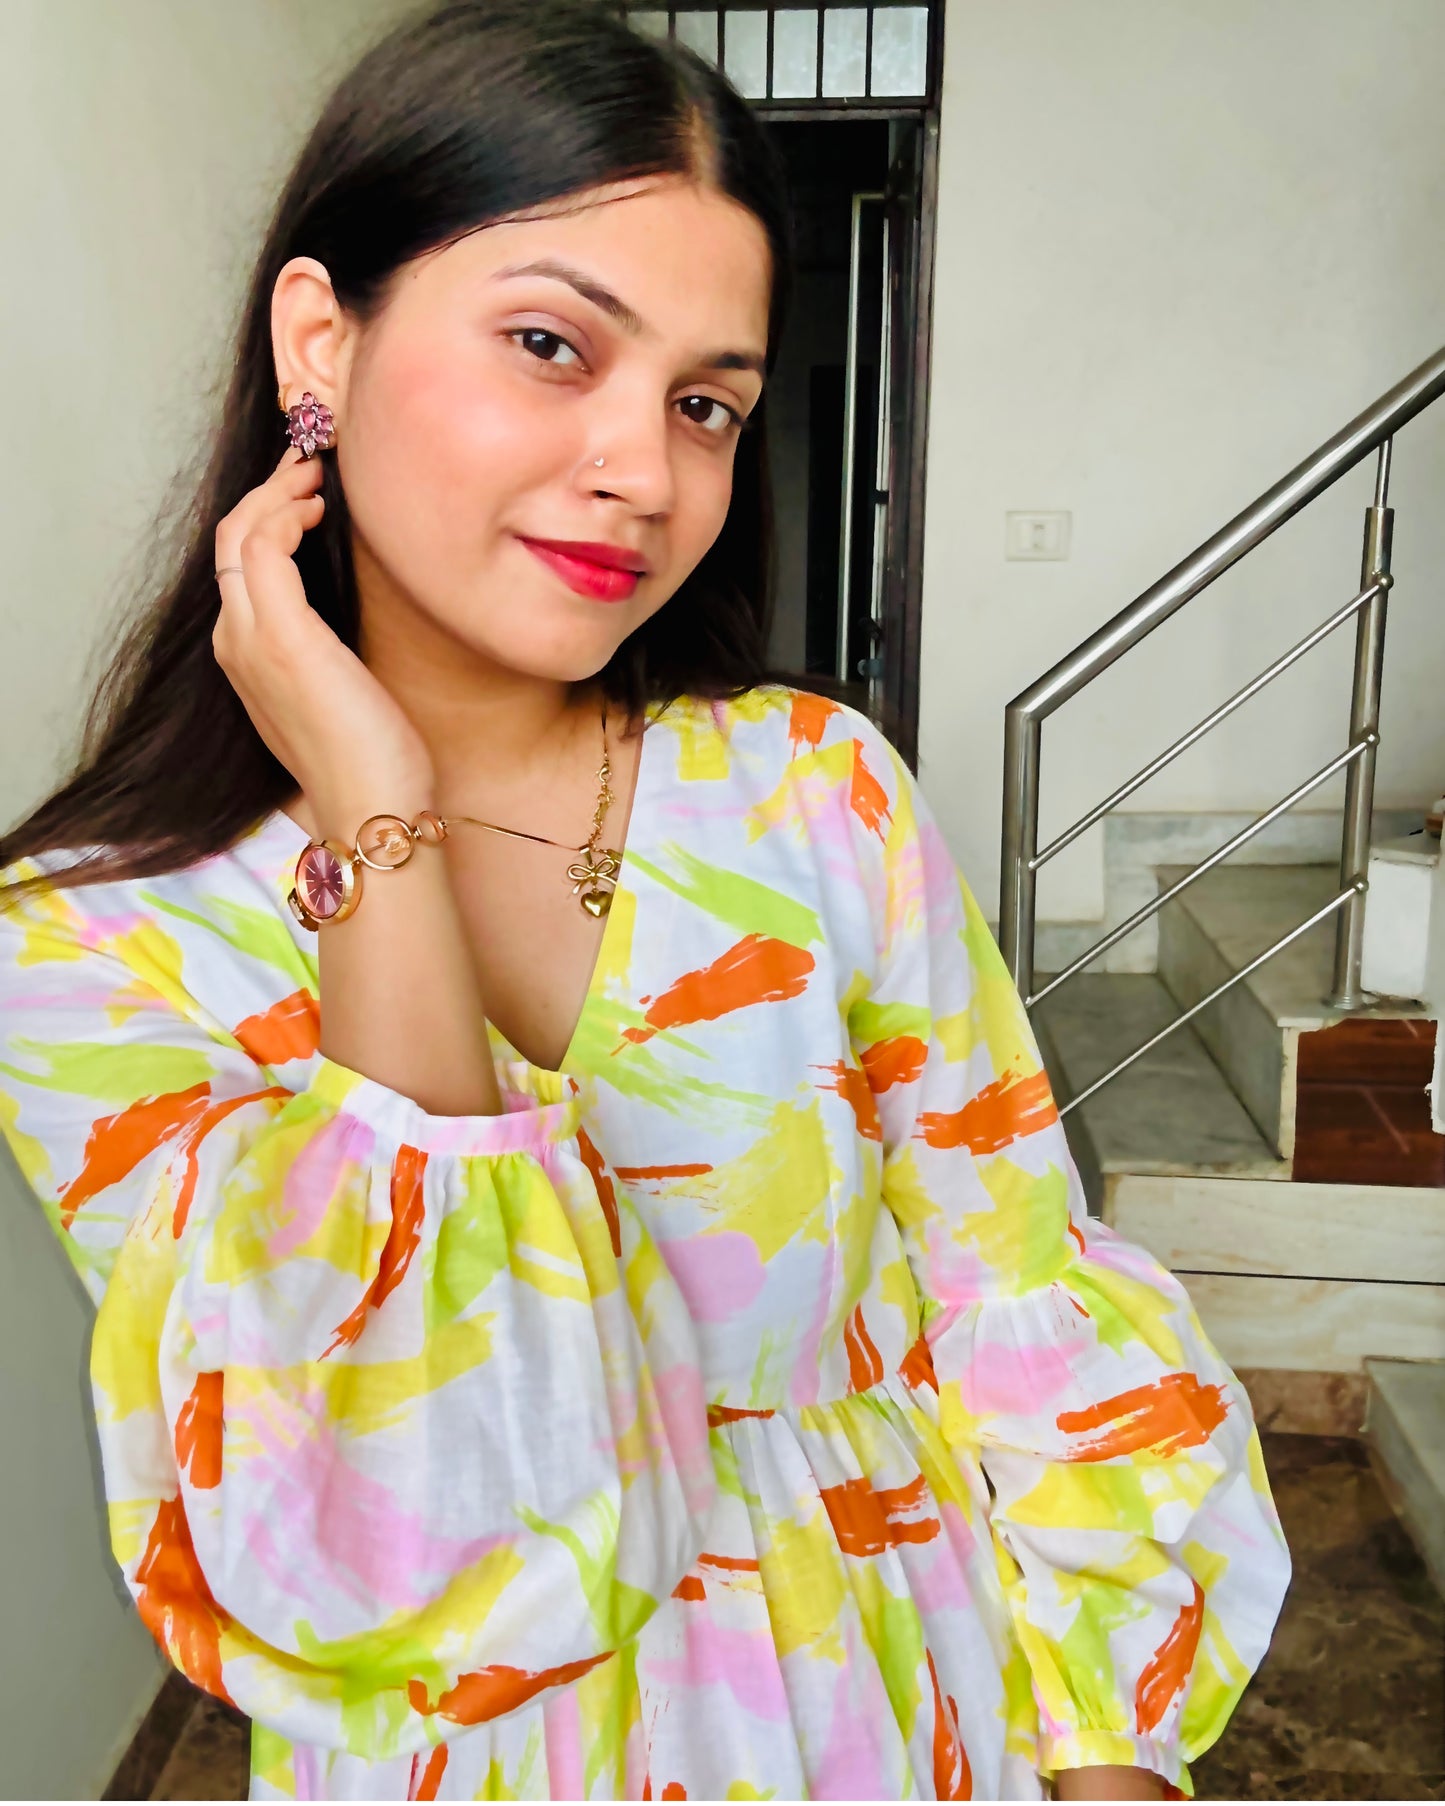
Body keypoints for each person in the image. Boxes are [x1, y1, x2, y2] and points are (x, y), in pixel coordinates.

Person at [0, 4, 1290, 1799]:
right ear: (320, 342)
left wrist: (1103, 1758)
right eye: (550, 344)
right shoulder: (93, 942)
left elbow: (1014, 1290)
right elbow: (417, 1512)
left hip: (901, 1711)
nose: (645, 472)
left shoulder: (813, 795)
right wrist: (379, 821)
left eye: (706, 405)